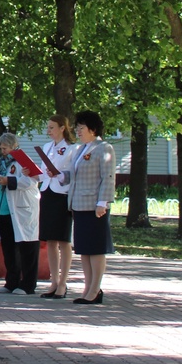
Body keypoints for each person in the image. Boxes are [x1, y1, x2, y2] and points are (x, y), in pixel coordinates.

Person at [0, 133, 40, 294]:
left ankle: (28, 284)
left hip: (22, 209)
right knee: (9, 247)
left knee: (26, 246)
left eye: (5, 148)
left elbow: (33, 181)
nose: (3, 151)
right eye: (0, 148)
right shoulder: (0, 162)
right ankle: (12, 281)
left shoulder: (23, 161)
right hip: (4, 208)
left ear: (14, 146)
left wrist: (9, 181)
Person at [68, 110, 116, 305]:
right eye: (77, 128)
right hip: (79, 204)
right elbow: (75, 176)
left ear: (93, 129)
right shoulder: (81, 150)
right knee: (84, 250)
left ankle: (95, 289)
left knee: (96, 249)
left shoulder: (104, 148)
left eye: (81, 128)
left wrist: (102, 203)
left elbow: (108, 177)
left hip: (95, 206)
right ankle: (88, 288)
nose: (78, 131)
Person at [38, 115, 76, 298]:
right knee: (50, 240)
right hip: (47, 192)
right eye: (48, 127)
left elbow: (72, 174)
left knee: (63, 240)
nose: (49, 131)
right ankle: (53, 281)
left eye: (52, 127)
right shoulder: (46, 147)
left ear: (62, 128)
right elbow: (42, 174)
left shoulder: (71, 148)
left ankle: (63, 283)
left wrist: (59, 174)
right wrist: (32, 173)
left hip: (62, 195)